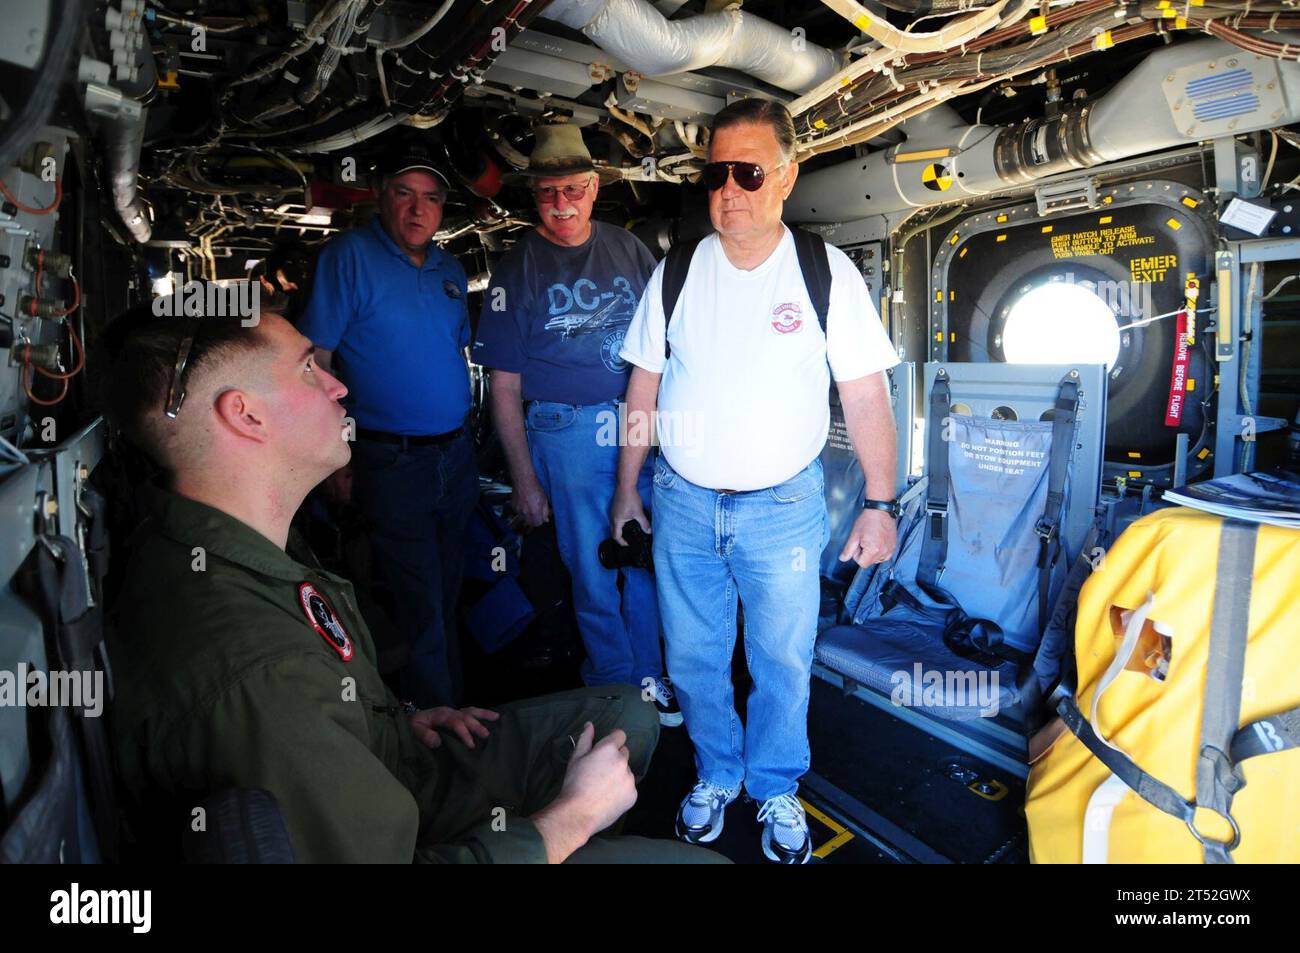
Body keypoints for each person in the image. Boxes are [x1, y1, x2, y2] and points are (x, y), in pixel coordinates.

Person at [103, 303, 725, 864]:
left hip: (390, 770)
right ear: (244, 415)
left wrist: (389, 725)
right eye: (308, 371)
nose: (338, 384)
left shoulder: (225, 543)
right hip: (402, 835)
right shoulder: (255, 670)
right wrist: (568, 821)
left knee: (631, 714)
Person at [612, 99, 901, 863]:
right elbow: (642, 390)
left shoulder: (822, 273)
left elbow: (867, 394)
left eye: (747, 172)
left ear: (784, 176)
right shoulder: (675, 274)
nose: (728, 190)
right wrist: (624, 490)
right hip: (681, 502)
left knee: (781, 659)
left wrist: (880, 502)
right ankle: (717, 771)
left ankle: (774, 784)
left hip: (783, 508)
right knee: (695, 660)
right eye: (716, 174)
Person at [473, 124, 678, 724]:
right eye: (547, 193)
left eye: (573, 189)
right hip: (565, 432)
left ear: (594, 189)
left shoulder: (629, 247)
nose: (561, 204)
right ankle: (613, 685)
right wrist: (524, 482)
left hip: (640, 423)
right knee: (592, 569)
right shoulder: (517, 267)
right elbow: (504, 386)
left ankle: (649, 679)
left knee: (644, 557)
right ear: (533, 196)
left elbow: (660, 345)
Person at [298, 146, 475, 708]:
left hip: (456, 456)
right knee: (417, 597)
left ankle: (455, 701)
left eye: (430, 198)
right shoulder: (349, 257)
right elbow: (316, 362)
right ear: (381, 197)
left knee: (449, 588)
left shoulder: (450, 268)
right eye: (404, 194)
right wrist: (335, 457)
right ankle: (437, 726)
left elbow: (454, 351)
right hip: (390, 459)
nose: (417, 210)